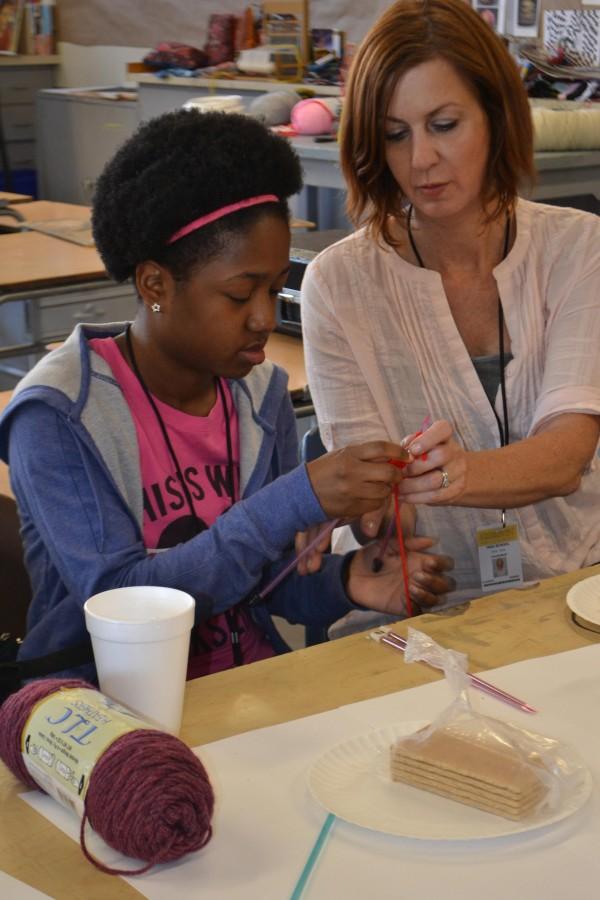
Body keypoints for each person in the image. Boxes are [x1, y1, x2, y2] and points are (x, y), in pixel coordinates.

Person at [0, 109, 454, 686]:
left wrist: (344, 581)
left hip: (244, 692)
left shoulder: (258, 396)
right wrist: (298, 498)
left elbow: (259, 580)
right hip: (103, 709)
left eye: (272, 289)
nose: (264, 318)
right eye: (240, 295)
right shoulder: (62, 414)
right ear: (155, 285)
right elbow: (120, 605)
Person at [302, 0, 600, 608]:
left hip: (581, 585)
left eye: (443, 125)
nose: (420, 161)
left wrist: (450, 474)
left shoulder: (579, 249)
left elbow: (567, 452)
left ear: (495, 115)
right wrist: (364, 513)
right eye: (395, 134)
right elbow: (370, 496)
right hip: (430, 604)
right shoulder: (338, 285)